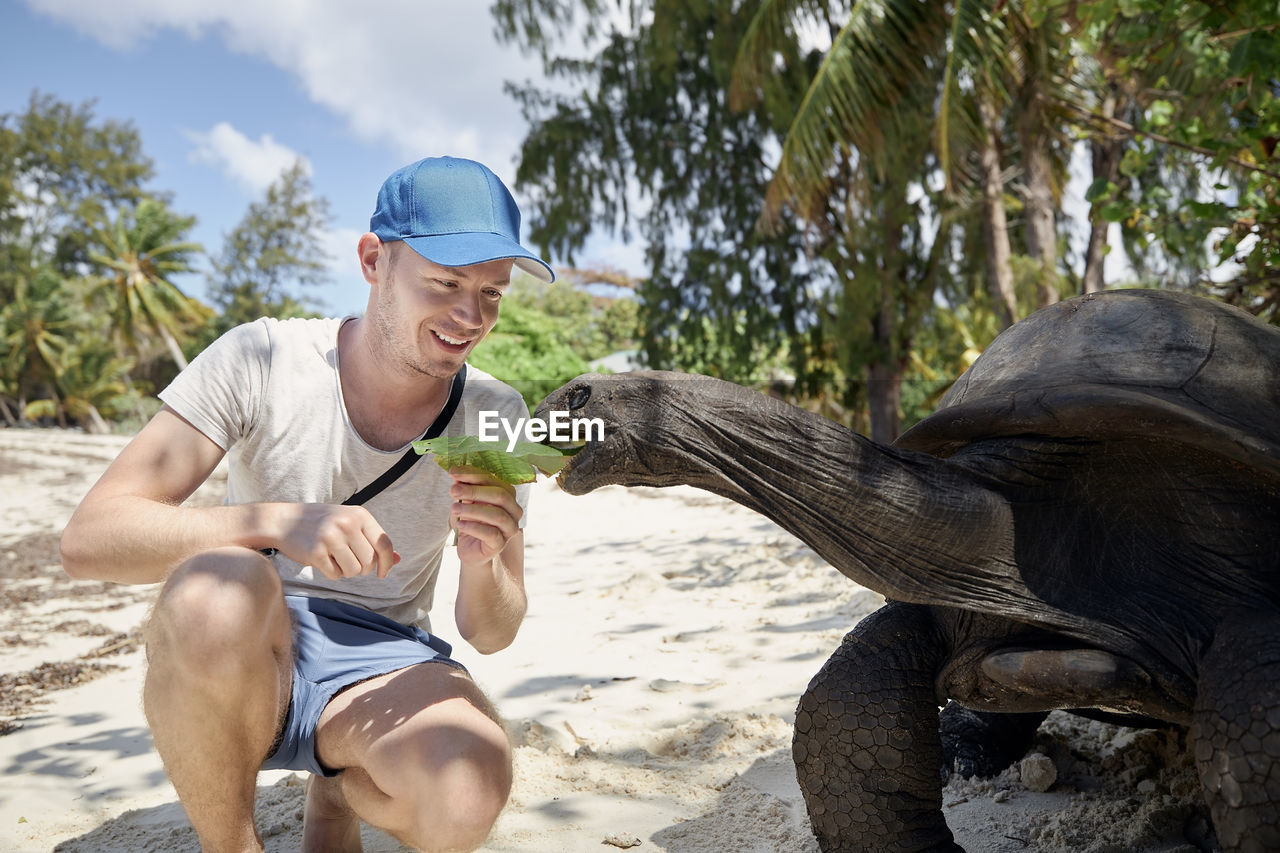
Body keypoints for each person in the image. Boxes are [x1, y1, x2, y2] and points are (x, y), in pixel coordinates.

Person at [60, 156, 556, 853]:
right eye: (445, 283)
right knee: (219, 588)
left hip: (383, 660)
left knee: (468, 790)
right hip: (237, 648)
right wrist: (274, 521)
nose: (470, 316)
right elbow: (88, 539)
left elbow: (492, 629)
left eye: (493, 294)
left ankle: (337, 791)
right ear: (373, 261)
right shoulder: (261, 357)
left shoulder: (495, 411)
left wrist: (484, 563)